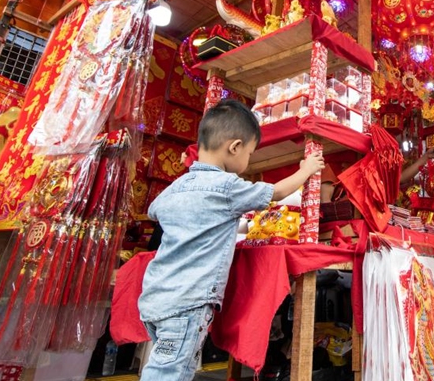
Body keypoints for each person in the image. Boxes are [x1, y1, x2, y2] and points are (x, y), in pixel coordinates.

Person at [138, 99, 325, 381]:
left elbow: (155, 210)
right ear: (234, 147)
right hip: (187, 303)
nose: (248, 160)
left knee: (170, 366)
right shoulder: (226, 187)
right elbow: (274, 193)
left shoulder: (178, 186)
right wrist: (306, 169)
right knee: (169, 373)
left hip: (155, 297)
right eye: (249, 153)